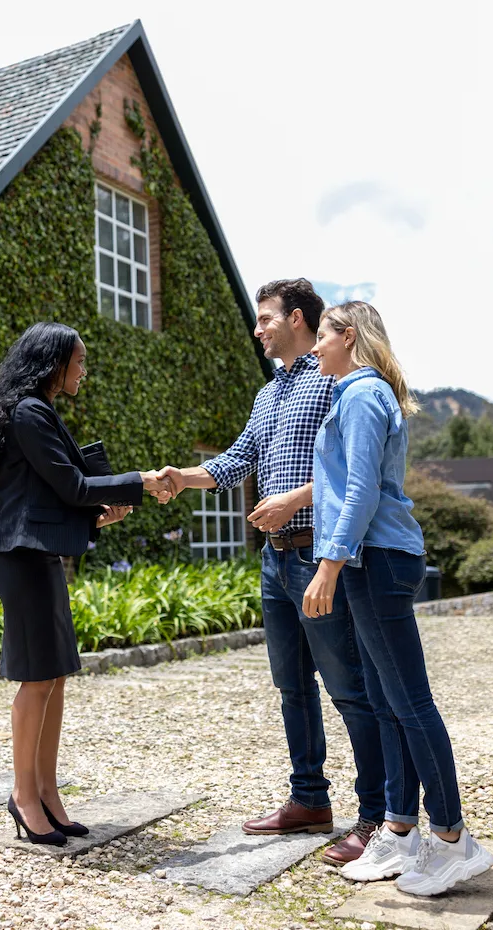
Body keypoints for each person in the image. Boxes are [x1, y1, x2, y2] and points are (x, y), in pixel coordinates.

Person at [154, 279, 387, 865]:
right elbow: (239, 462)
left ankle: (377, 815)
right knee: (292, 688)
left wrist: (291, 501)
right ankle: (309, 799)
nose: (256, 329)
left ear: (299, 319)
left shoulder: (333, 377)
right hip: (274, 559)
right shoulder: (266, 397)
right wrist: (185, 477)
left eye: (265, 319)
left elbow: (359, 468)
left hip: (317, 552)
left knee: (348, 689)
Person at [301, 301, 493, 895]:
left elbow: (360, 487)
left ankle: (453, 840)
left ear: (348, 337)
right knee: (389, 702)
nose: (314, 347)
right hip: (375, 556)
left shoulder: (360, 394)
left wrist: (328, 563)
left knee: (409, 702)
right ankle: (403, 830)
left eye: (323, 337)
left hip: (375, 557)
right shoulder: (360, 393)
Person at [0, 321, 172, 846]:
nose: (84, 370)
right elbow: (72, 485)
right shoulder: (29, 412)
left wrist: (95, 519)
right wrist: (141, 481)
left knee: (55, 675)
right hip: (19, 556)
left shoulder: (38, 411)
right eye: (78, 361)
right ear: (53, 362)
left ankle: (47, 792)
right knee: (36, 679)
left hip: (36, 552)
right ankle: (22, 796)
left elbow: (50, 498)